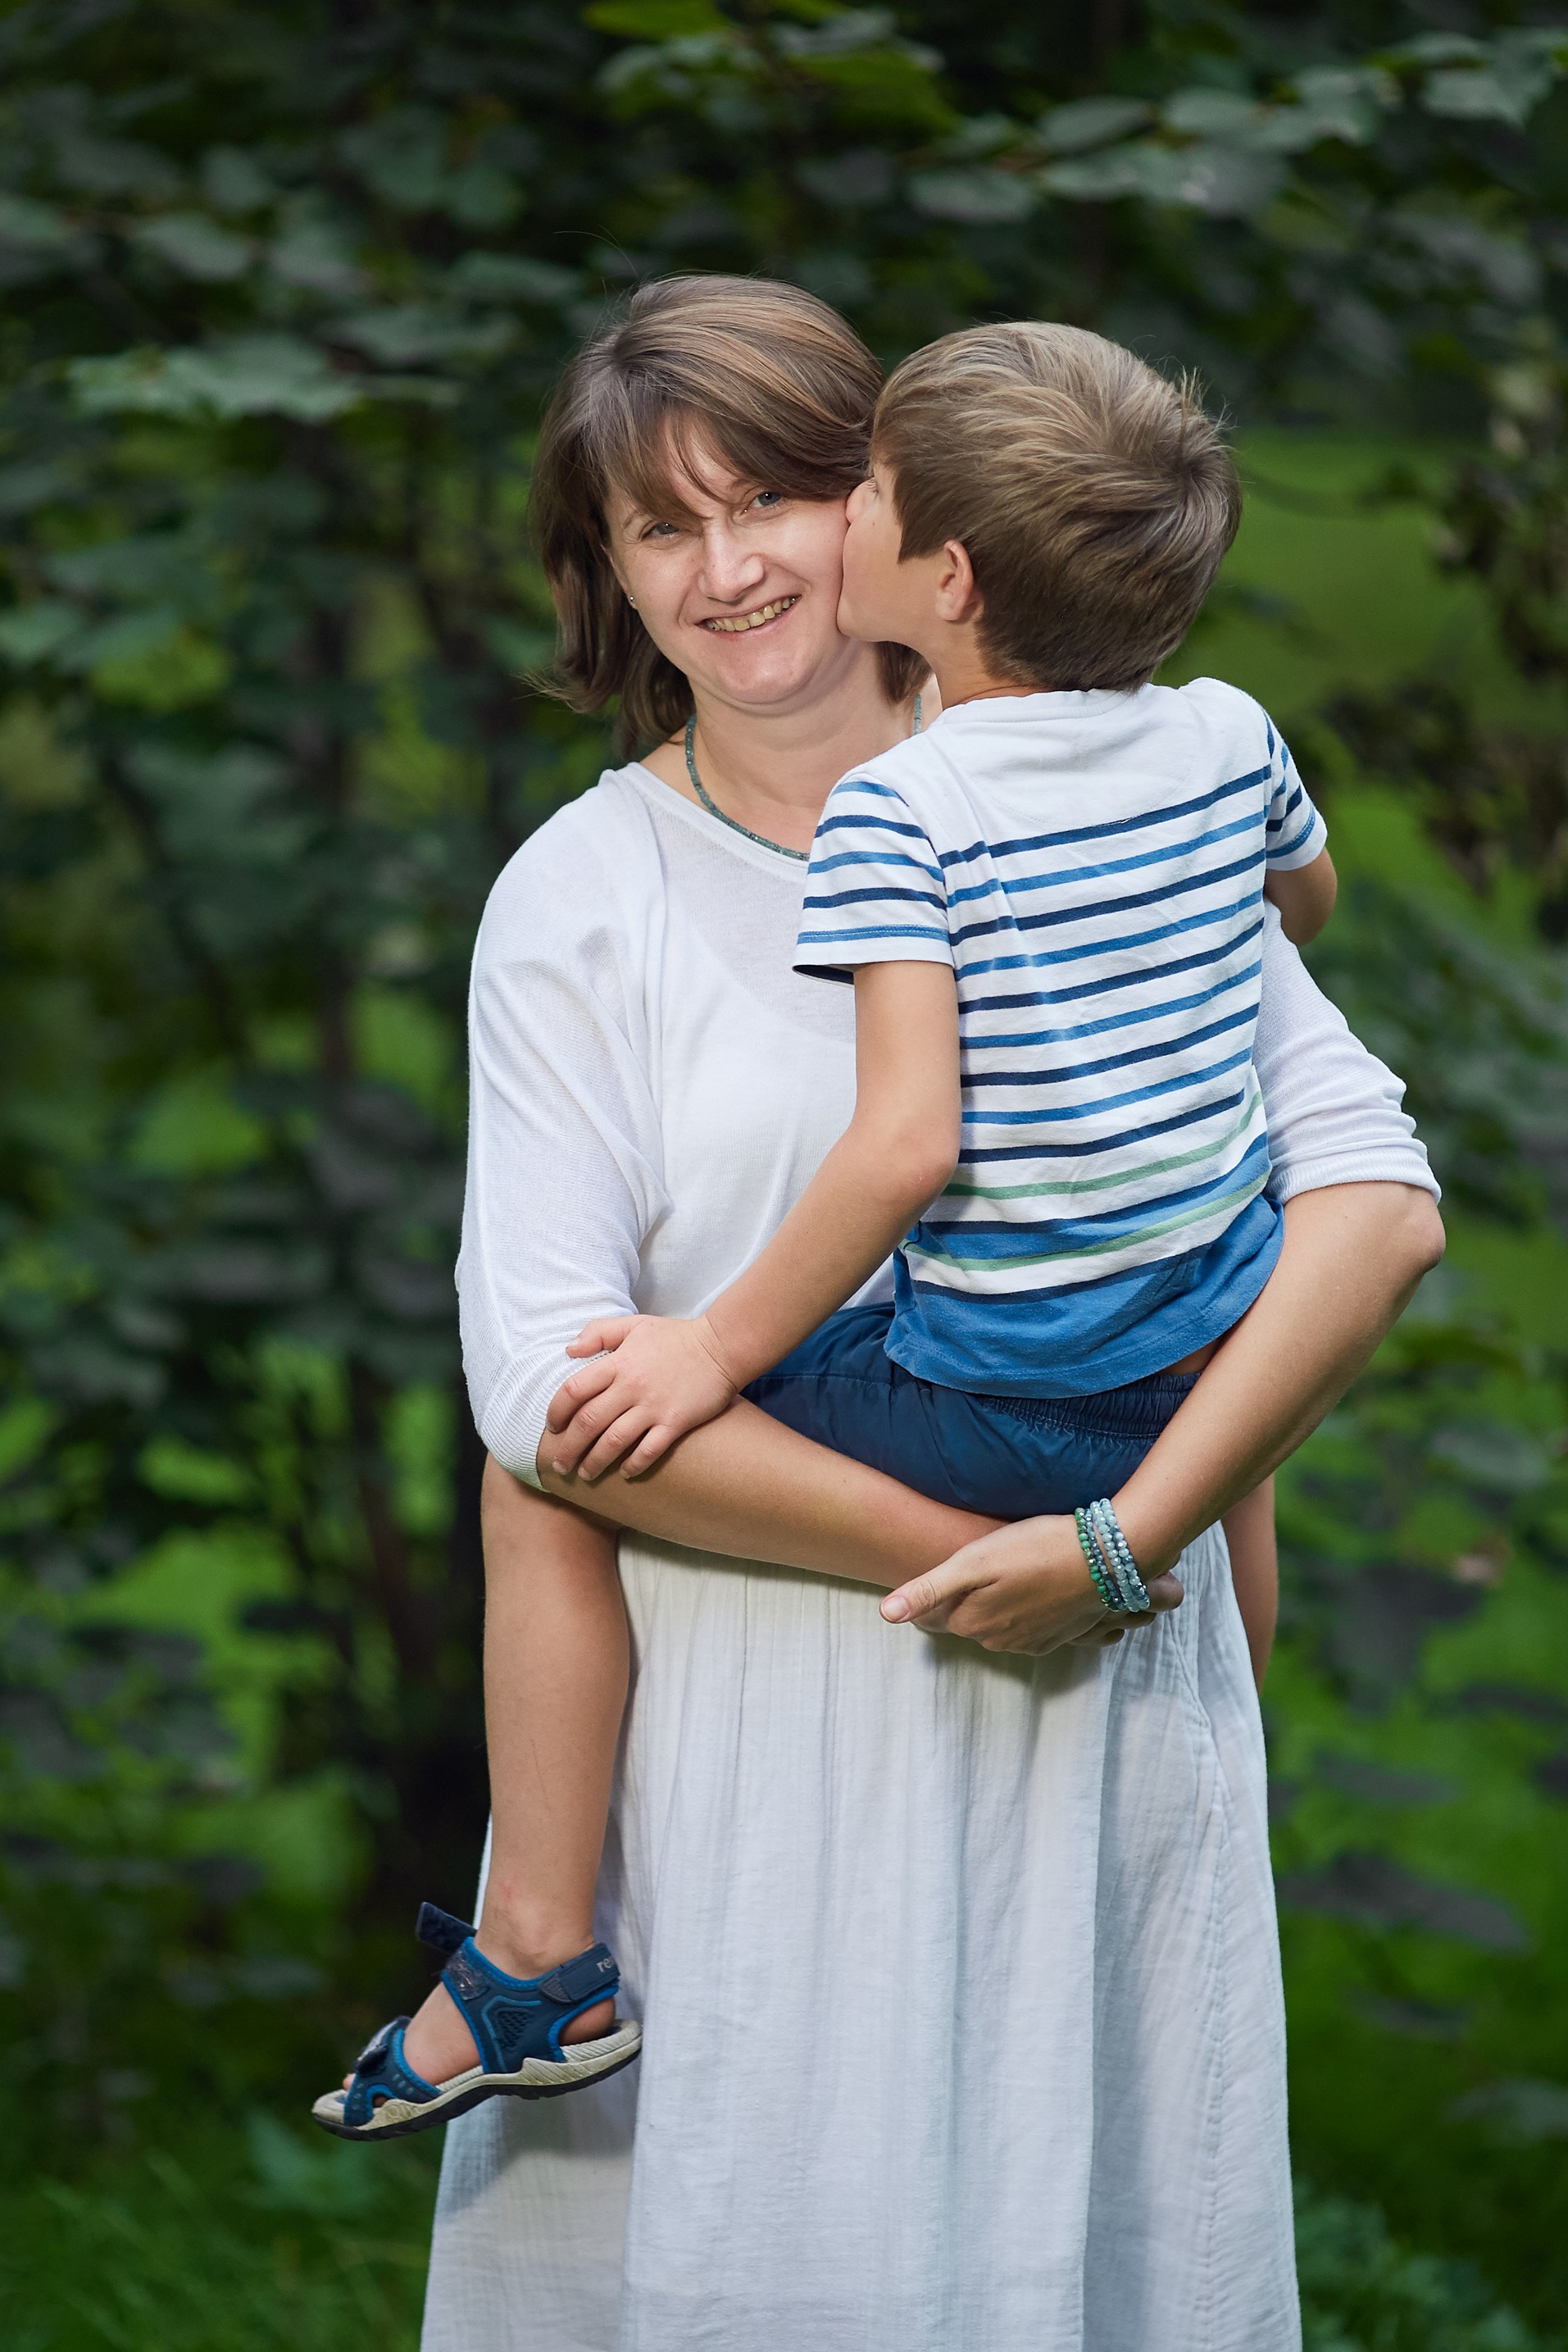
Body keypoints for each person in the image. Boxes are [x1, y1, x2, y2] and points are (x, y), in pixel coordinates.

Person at [331, 277, 1441, 2347]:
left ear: (903, 517)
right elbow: (545, 1399)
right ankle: (548, 1949)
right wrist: (1049, 1563)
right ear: (608, 575)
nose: (731, 567)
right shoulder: (585, 901)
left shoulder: (1101, 814)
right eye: (664, 527)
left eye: (775, 493)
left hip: (1098, 1740)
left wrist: (1120, 1556)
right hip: (757, 1776)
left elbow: (1366, 1211)